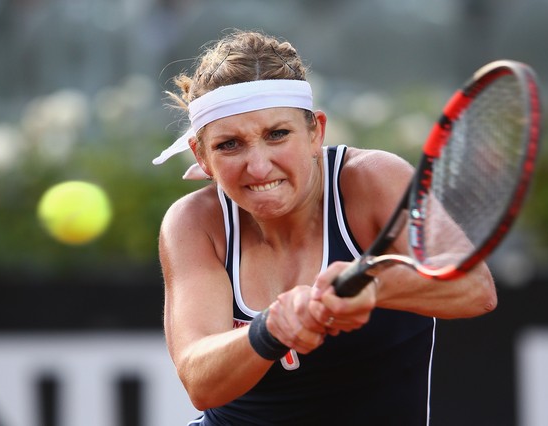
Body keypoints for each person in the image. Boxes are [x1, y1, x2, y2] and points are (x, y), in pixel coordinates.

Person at [153, 30, 497, 425]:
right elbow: (201, 382)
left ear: (316, 131)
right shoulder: (194, 222)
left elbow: (475, 290)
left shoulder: (373, 180)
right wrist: (270, 329)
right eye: (229, 145)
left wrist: (372, 286)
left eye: (277, 134)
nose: (259, 166)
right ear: (201, 155)